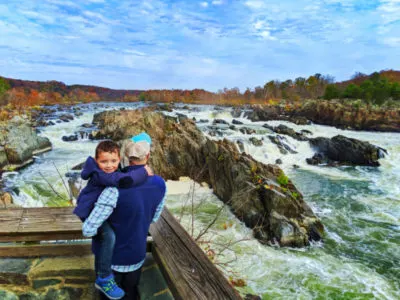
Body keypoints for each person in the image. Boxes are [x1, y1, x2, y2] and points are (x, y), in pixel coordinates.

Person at [83, 132, 166, 300]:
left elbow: (88, 229)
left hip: (111, 260)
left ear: (125, 157)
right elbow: (154, 217)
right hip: (137, 254)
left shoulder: (113, 189)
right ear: (148, 156)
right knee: (131, 293)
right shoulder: (160, 183)